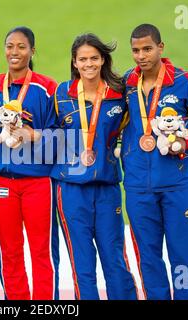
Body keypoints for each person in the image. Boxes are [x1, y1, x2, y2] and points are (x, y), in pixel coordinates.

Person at [121, 24, 188, 300]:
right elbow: (115, 123)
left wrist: (186, 141)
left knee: (182, 255)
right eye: (136, 50)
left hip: (176, 185)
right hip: (138, 187)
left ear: (160, 48)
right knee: (149, 258)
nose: (141, 56)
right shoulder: (127, 83)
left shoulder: (184, 81)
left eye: (147, 49)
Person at [51, 33, 137, 300]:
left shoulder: (119, 94)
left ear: (103, 60)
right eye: (83, 59)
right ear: (74, 62)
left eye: (94, 58)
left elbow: (130, 129)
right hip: (71, 190)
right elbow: (52, 137)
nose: (89, 64)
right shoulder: (61, 94)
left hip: (107, 187)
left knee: (114, 258)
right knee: (82, 264)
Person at [0, 26, 60, 300]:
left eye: (21, 46)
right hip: (1, 182)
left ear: (32, 51)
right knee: (9, 250)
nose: (14, 52)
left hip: (38, 182)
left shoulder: (47, 87)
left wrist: (33, 135)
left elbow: (60, 136)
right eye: (9, 46)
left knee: (42, 251)